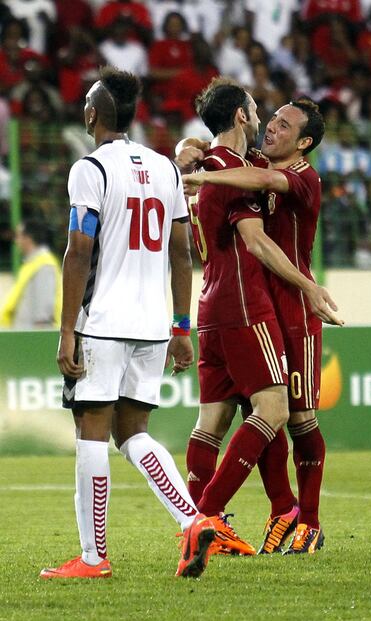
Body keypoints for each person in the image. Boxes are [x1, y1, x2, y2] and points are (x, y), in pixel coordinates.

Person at [39, 66, 215, 580]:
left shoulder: (89, 169)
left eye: (86, 103)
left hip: (103, 322)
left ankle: (93, 559)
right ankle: (192, 519)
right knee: (133, 432)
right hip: (152, 324)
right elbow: (183, 251)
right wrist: (182, 326)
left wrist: (68, 328)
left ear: (93, 113)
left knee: (91, 433)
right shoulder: (164, 169)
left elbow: (78, 251)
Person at [178, 78, 342, 556]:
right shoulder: (243, 164)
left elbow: (265, 182)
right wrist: (192, 149)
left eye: (284, 125)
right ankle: (277, 510)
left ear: (304, 142)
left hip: (291, 307)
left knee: (299, 418)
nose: (272, 125)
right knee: (262, 412)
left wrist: (203, 168)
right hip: (252, 306)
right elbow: (217, 152)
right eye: (270, 118)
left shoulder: (301, 176)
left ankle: (305, 519)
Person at [0, 218, 62, 329]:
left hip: (33, 341)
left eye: (18, 236)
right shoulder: (32, 264)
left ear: (28, 238)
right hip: (24, 340)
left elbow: (44, 315)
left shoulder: (44, 266)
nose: (16, 241)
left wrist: (38, 342)